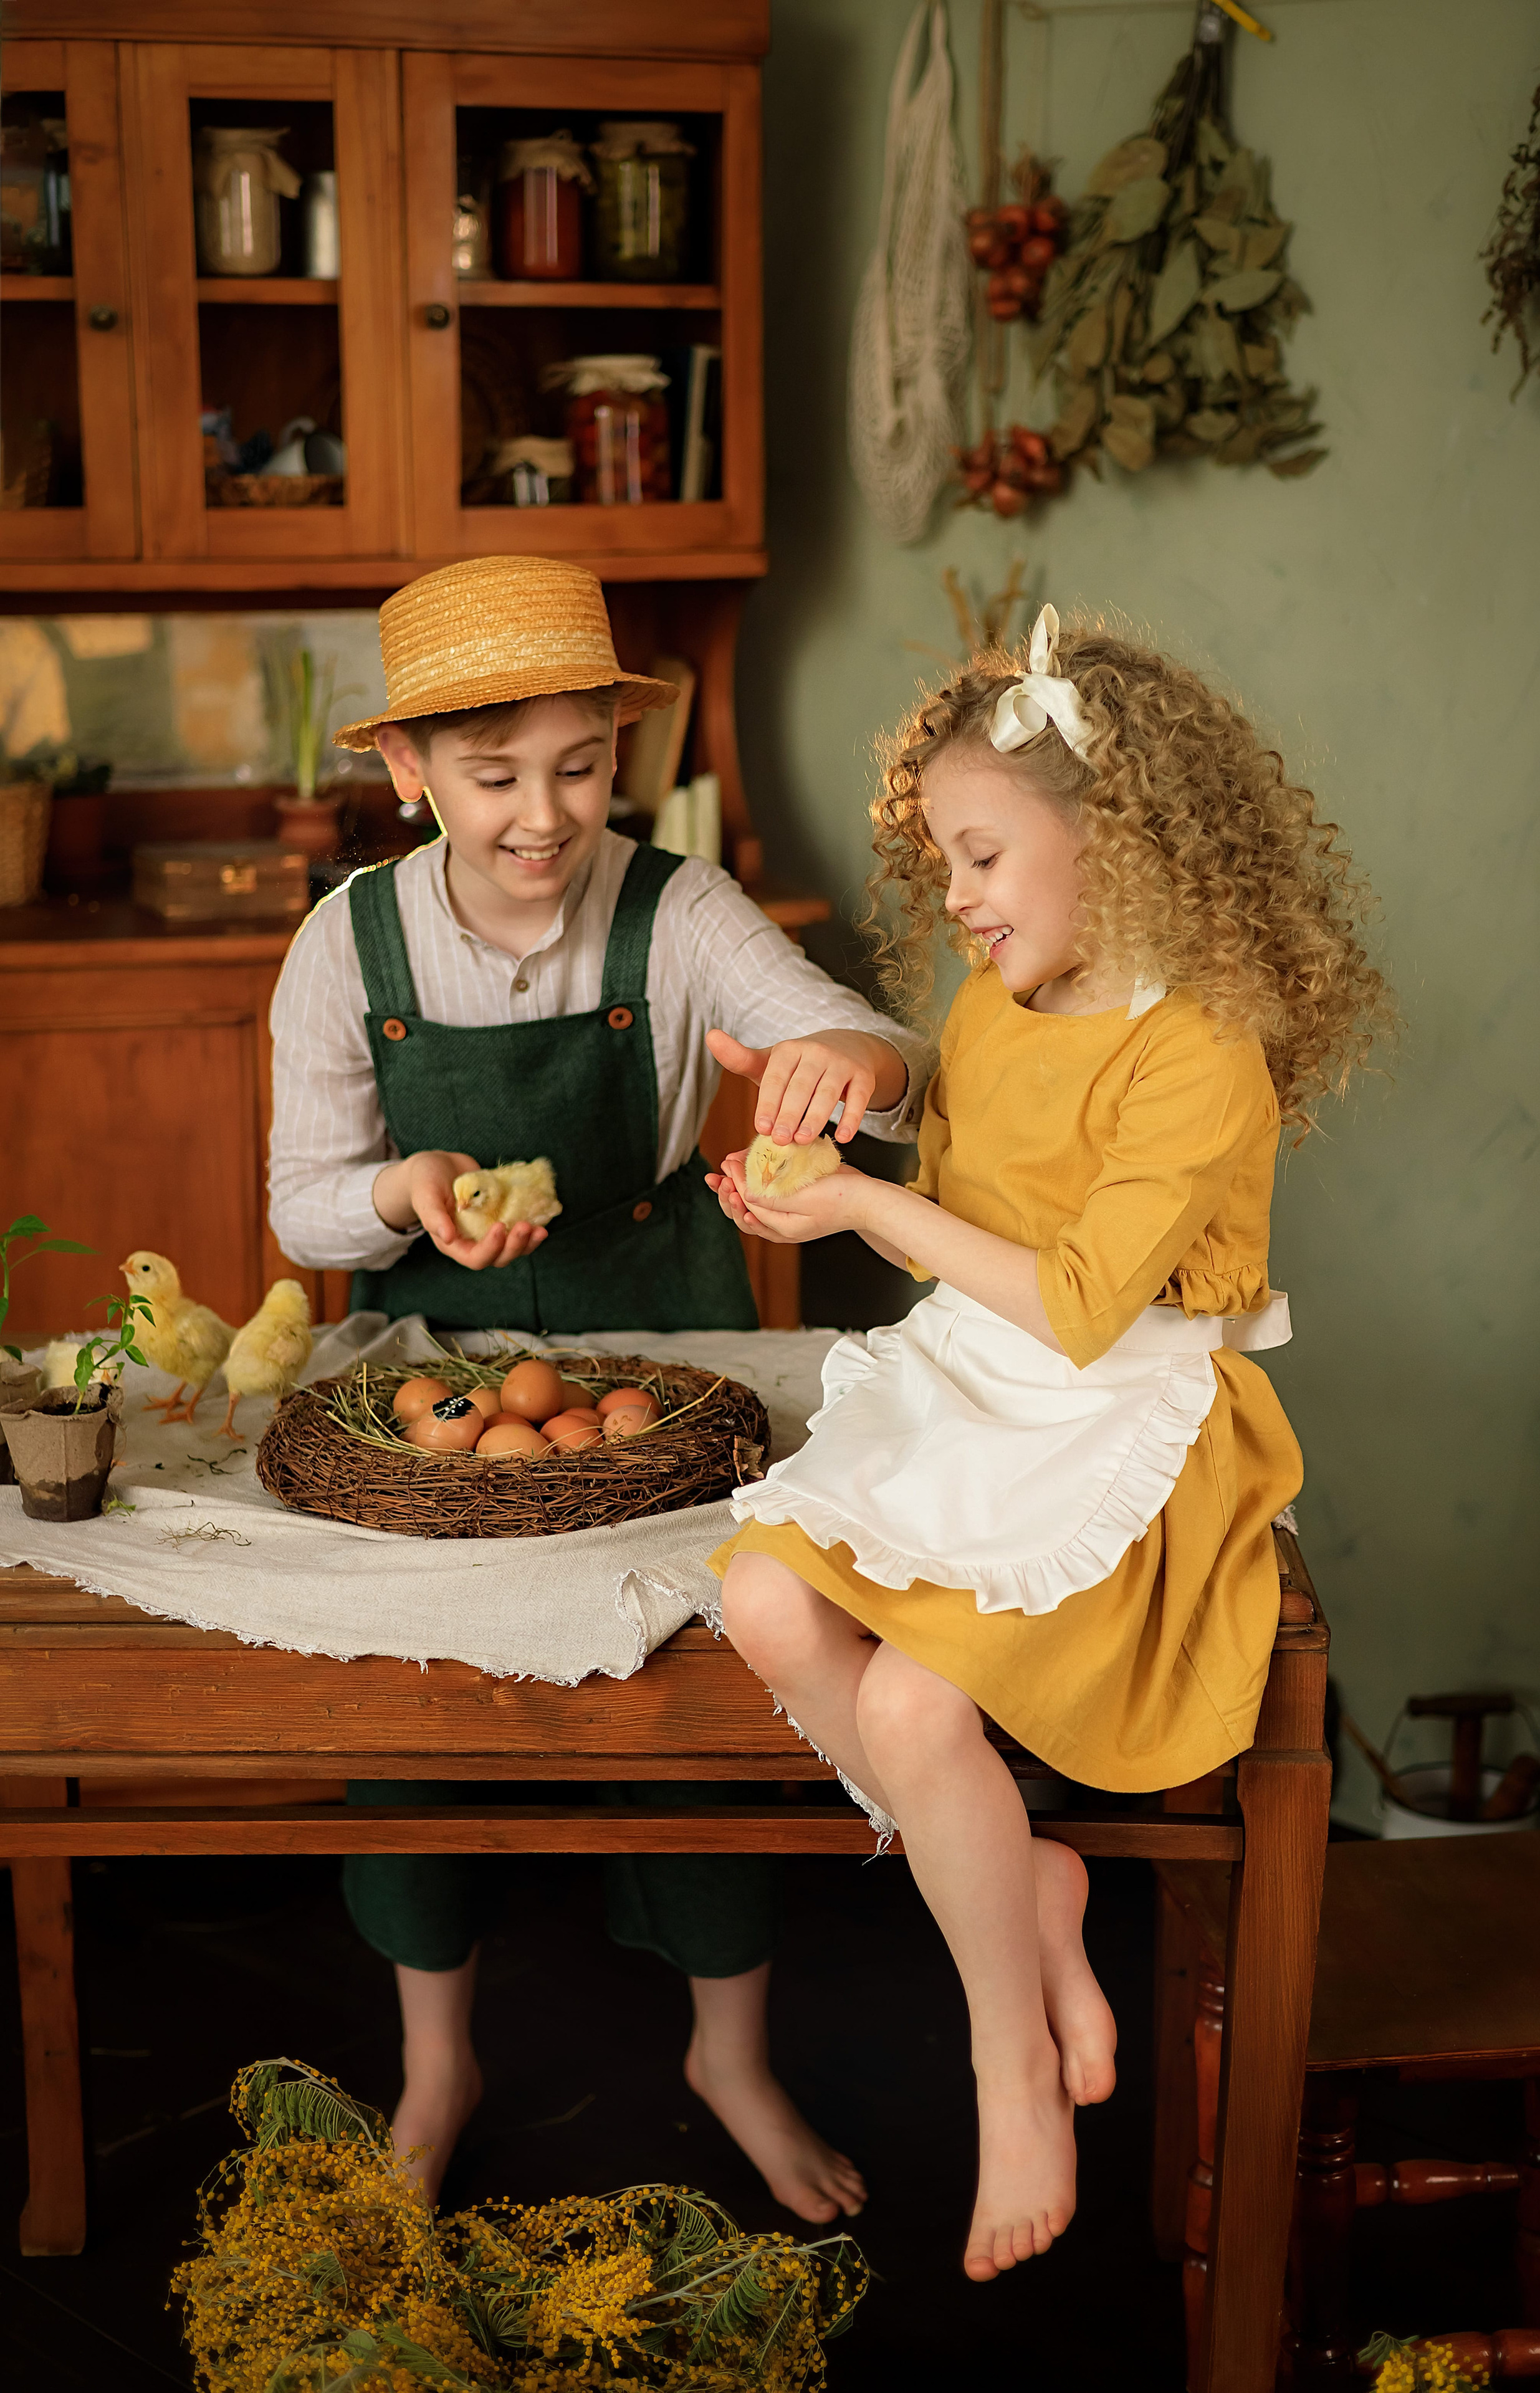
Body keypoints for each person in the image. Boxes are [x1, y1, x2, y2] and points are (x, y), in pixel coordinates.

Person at [705, 608, 1390, 2281]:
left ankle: (1010, 2054)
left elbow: (1086, 1307)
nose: (957, 896)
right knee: (767, 1604)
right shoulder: (1009, 996)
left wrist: (859, 1203)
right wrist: (850, 1109)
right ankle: (1038, 1892)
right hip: (970, 1382)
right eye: (944, 859)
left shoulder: (1200, 1049)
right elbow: (965, 1149)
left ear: (1118, 847)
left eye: (984, 855)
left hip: (1121, 1411)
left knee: (926, 1703)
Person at [268, 554, 931, 2216]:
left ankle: (732, 2055)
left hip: (671, 1335)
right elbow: (299, 1199)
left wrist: (856, 1066)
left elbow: (870, 1052)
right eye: (494, 777)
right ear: (410, 773)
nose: (543, 815)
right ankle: (438, 2063)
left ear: (618, 754)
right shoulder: (343, 944)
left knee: (699, 1696)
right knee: (412, 1702)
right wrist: (401, 1196)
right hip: (423, 1370)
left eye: (578, 766)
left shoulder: (683, 906)